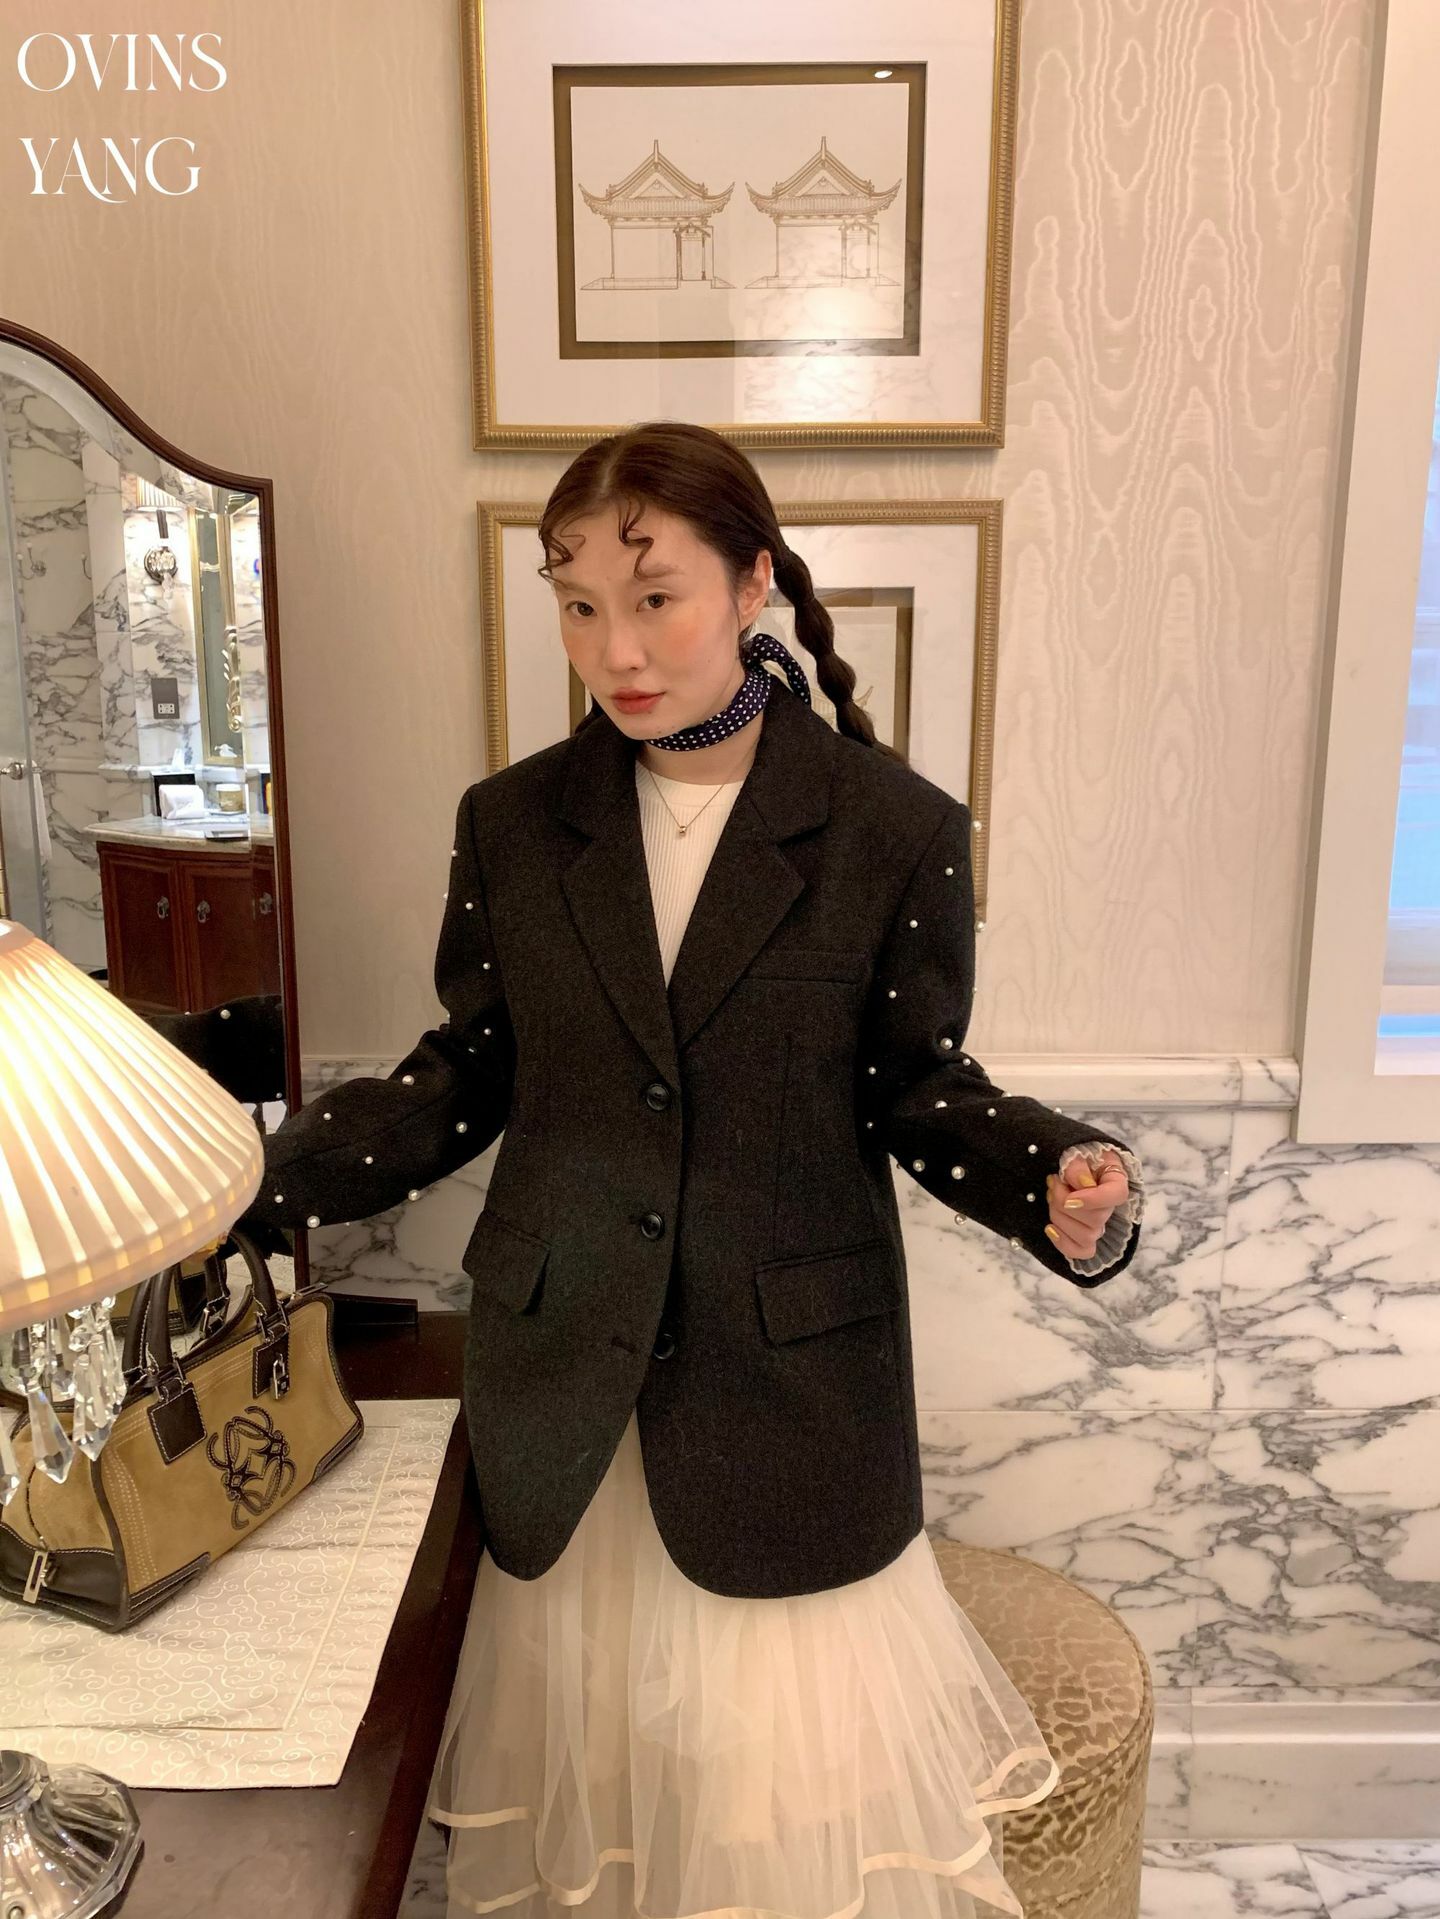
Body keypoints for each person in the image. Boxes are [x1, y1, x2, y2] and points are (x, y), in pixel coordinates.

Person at [239, 421, 1145, 1919]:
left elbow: (917, 1084)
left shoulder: (891, 829)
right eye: (578, 605)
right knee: (588, 1824)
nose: (617, 649)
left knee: (770, 1843)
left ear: (753, 583)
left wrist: (1052, 1169)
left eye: (654, 597)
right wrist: (254, 1174)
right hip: (566, 1391)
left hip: (786, 1401)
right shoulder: (514, 823)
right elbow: (468, 1068)